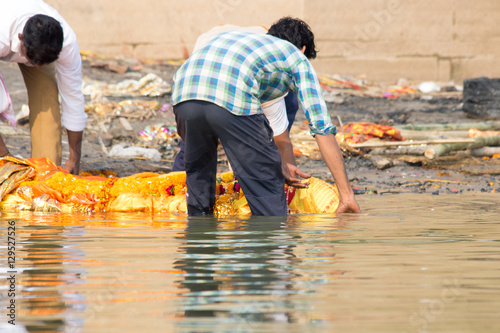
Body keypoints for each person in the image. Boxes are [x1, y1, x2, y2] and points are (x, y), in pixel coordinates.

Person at [171, 17, 361, 216]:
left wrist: (277, 163)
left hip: (184, 94)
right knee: (266, 193)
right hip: (227, 97)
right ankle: (272, 238)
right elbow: (321, 128)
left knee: (199, 180)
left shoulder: (246, 42)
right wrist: (347, 196)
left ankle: (198, 238)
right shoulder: (295, 57)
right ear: (303, 49)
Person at [172, 24, 299, 172]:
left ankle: (180, 181)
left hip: (201, 79)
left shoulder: (264, 47)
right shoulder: (273, 58)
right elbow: (278, 134)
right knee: (197, 138)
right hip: (219, 74)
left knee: (193, 140)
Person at [0, 0, 88, 175]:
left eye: (44, 62)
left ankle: (46, 174)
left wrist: (74, 158)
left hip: (37, 47)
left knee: (46, 93)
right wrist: (5, 157)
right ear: (21, 38)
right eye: (34, 61)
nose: (38, 67)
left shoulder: (66, 42)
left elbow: (73, 97)